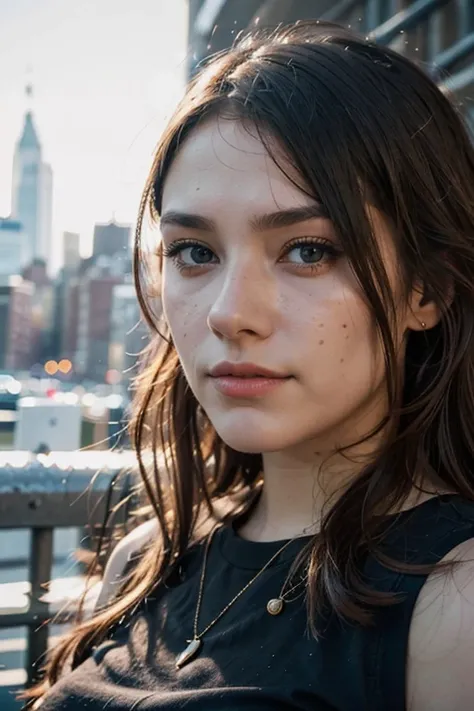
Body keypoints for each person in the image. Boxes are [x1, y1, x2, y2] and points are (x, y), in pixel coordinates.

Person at [26, 20, 474, 711]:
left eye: (308, 250)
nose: (230, 313)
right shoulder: (144, 562)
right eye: (195, 252)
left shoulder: (452, 607)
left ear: (427, 289)